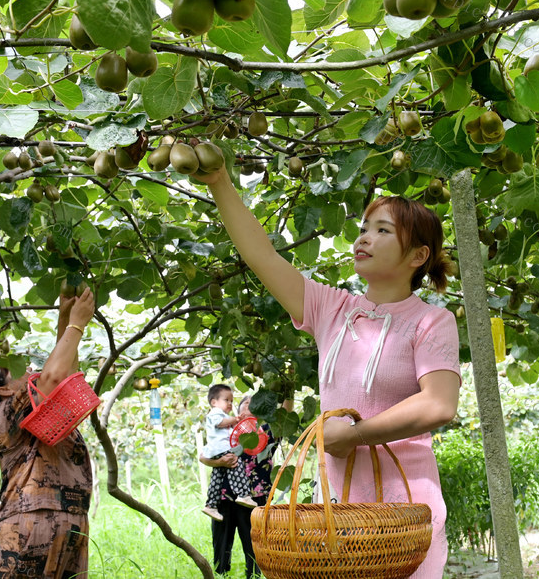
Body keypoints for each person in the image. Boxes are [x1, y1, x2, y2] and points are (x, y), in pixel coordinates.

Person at [192, 167, 461, 579]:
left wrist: (353, 435)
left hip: (404, 510)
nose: (364, 238)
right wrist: (219, 182)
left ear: (418, 256)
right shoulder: (331, 309)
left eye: (382, 230)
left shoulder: (430, 322)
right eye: (364, 228)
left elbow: (439, 404)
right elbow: (261, 255)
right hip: (334, 511)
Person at [0, 288, 96, 579]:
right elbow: (52, 378)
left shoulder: (34, 409)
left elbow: (62, 379)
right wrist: (76, 325)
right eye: (15, 369)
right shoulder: (7, 412)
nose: (28, 368)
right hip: (28, 523)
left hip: (68, 520)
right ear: (4, 389)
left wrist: (64, 320)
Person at [200, 394, 282, 579]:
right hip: (225, 496)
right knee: (221, 545)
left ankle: (253, 576)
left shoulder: (266, 430)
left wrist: (288, 388)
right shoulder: (227, 431)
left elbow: (287, 412)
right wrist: (220, 461)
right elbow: (203, 456)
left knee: (255, 546)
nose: (251, 405)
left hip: (254, 498)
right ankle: (222, 575)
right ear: (238, 411)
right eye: (246, 403)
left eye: (256, 403)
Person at [201, 383, 258, 520]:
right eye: (226, 400)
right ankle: (243, 494)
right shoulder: (216, 413)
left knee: (216, 478)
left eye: (231, 401)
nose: (230, 404)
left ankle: (211, 505)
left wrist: (235, 422)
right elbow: (220, 422)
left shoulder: (258, 428)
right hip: (221, 449)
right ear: (214, 402)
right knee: (236, 466)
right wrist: (235, 419)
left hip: (217, 450)